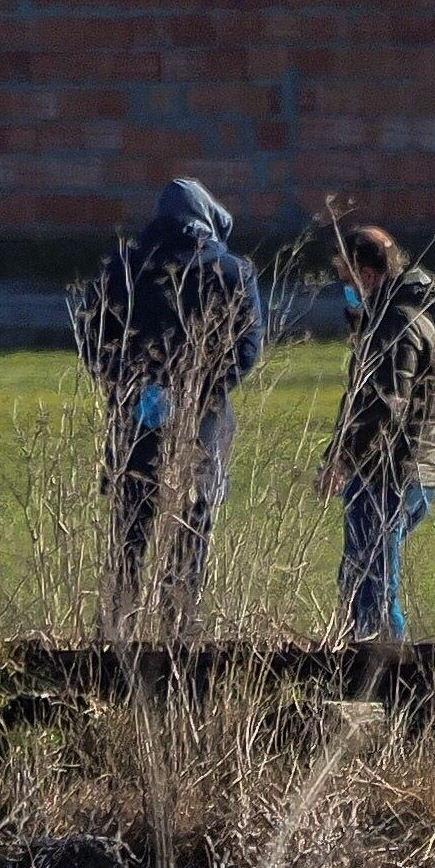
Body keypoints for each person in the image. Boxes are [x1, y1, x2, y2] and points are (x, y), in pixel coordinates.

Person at [75, 178, 263, 640]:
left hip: (134, 415)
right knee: (192, 524)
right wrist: (199, 389)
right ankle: (179, 628)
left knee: (130, 527)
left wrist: (131, 382)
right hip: (204, 420)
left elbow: (91, 337)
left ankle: (114, 629)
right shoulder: (232, 272)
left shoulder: (123, 268)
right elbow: (247, 349)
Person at [315, 226, 435, 642]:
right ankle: (363, 660)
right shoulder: (424, 312)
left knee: (373, 590)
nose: (345, 287)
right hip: (418, 471)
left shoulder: (397, 321)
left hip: (387, 474)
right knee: (364, 576)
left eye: (346, 278)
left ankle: (385, 674)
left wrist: (343, 460)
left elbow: (381, 403)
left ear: (367, 274)